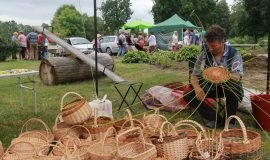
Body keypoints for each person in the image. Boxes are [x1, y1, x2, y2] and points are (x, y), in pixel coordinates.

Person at [183, 25, 244, 129]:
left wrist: (225, 73)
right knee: (188, 94)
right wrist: (197, 88)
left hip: (227, 87)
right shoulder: (204, 54)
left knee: (234, 88)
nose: (210, 49)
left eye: (214, 46)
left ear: (222, 41)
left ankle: (229, 121)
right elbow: (194, 75)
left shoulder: (234, 54)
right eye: (208, 45)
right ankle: (215, 119)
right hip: (210, 87)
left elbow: (237, 77)